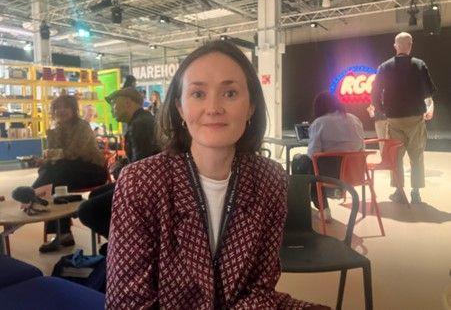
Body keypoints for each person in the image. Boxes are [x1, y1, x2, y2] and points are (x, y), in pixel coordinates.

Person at [106, 41, 329, 309]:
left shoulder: (271, 179)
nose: (213, 108)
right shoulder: (140, 182)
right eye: (198, 94)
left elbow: (259, 288)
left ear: (251, 107)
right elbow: (128, 303)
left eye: (231, 93)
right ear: (180, 108)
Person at [78, 87, 160, 243]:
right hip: (149, 184)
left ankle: (127, 244)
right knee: (95, 195)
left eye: (115, 104)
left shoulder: (139, 125)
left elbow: (141, 169)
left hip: (145, 189)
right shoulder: (142, 120)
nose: (112, 110)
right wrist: (122, 163)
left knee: (87, 211)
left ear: (128, 103)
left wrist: (120, 170)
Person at [32, 95, 107, 253]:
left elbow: (73, 153)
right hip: (67, 172)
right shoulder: (55, 130)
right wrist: (44, 160)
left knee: (56, 175)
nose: (61, 110)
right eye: (58, 107)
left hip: (92, 169)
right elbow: (54, 157)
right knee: (54, 178)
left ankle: (33, 194)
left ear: (74, 109)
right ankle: (64, 233)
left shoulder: (83, 126)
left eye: (65, 107)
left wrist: (51, 156)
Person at [372, 32, 436, 204]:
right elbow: (429, 91)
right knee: (417, 156)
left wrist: (383, 110)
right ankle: (416, 192)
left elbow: (375, 93)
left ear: (395, 46)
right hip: (415, 118)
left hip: (394, 119)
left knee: (396, 157)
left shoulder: (384, 67)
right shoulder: (419, 64)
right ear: (410, 45)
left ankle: (399, 192)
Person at [292, 91, 364, 221]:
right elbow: (361, 147)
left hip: (328, 175)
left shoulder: (319, 123)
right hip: (354, 174)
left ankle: (318, 207)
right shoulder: (355, 120)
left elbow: (312, 154)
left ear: (318, 107)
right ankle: (329, 197)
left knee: (301, 161)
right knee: (311, 165)